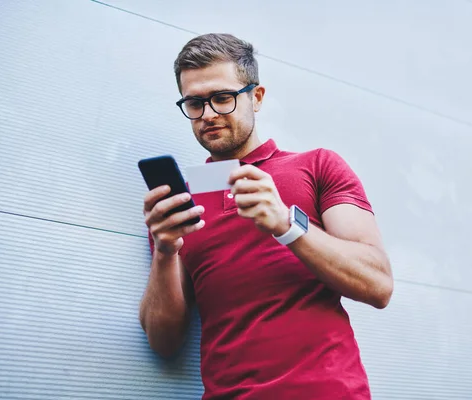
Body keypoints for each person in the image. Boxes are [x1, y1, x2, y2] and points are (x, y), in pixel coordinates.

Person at [139, 33, 394, 400]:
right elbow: (163, 342)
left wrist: (289, 225)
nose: (208, 114)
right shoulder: (180, 203)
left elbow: (379, 284)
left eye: (222, 98)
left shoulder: (318, 165)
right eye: (194, 103)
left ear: (255, 98)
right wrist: (164, 250)